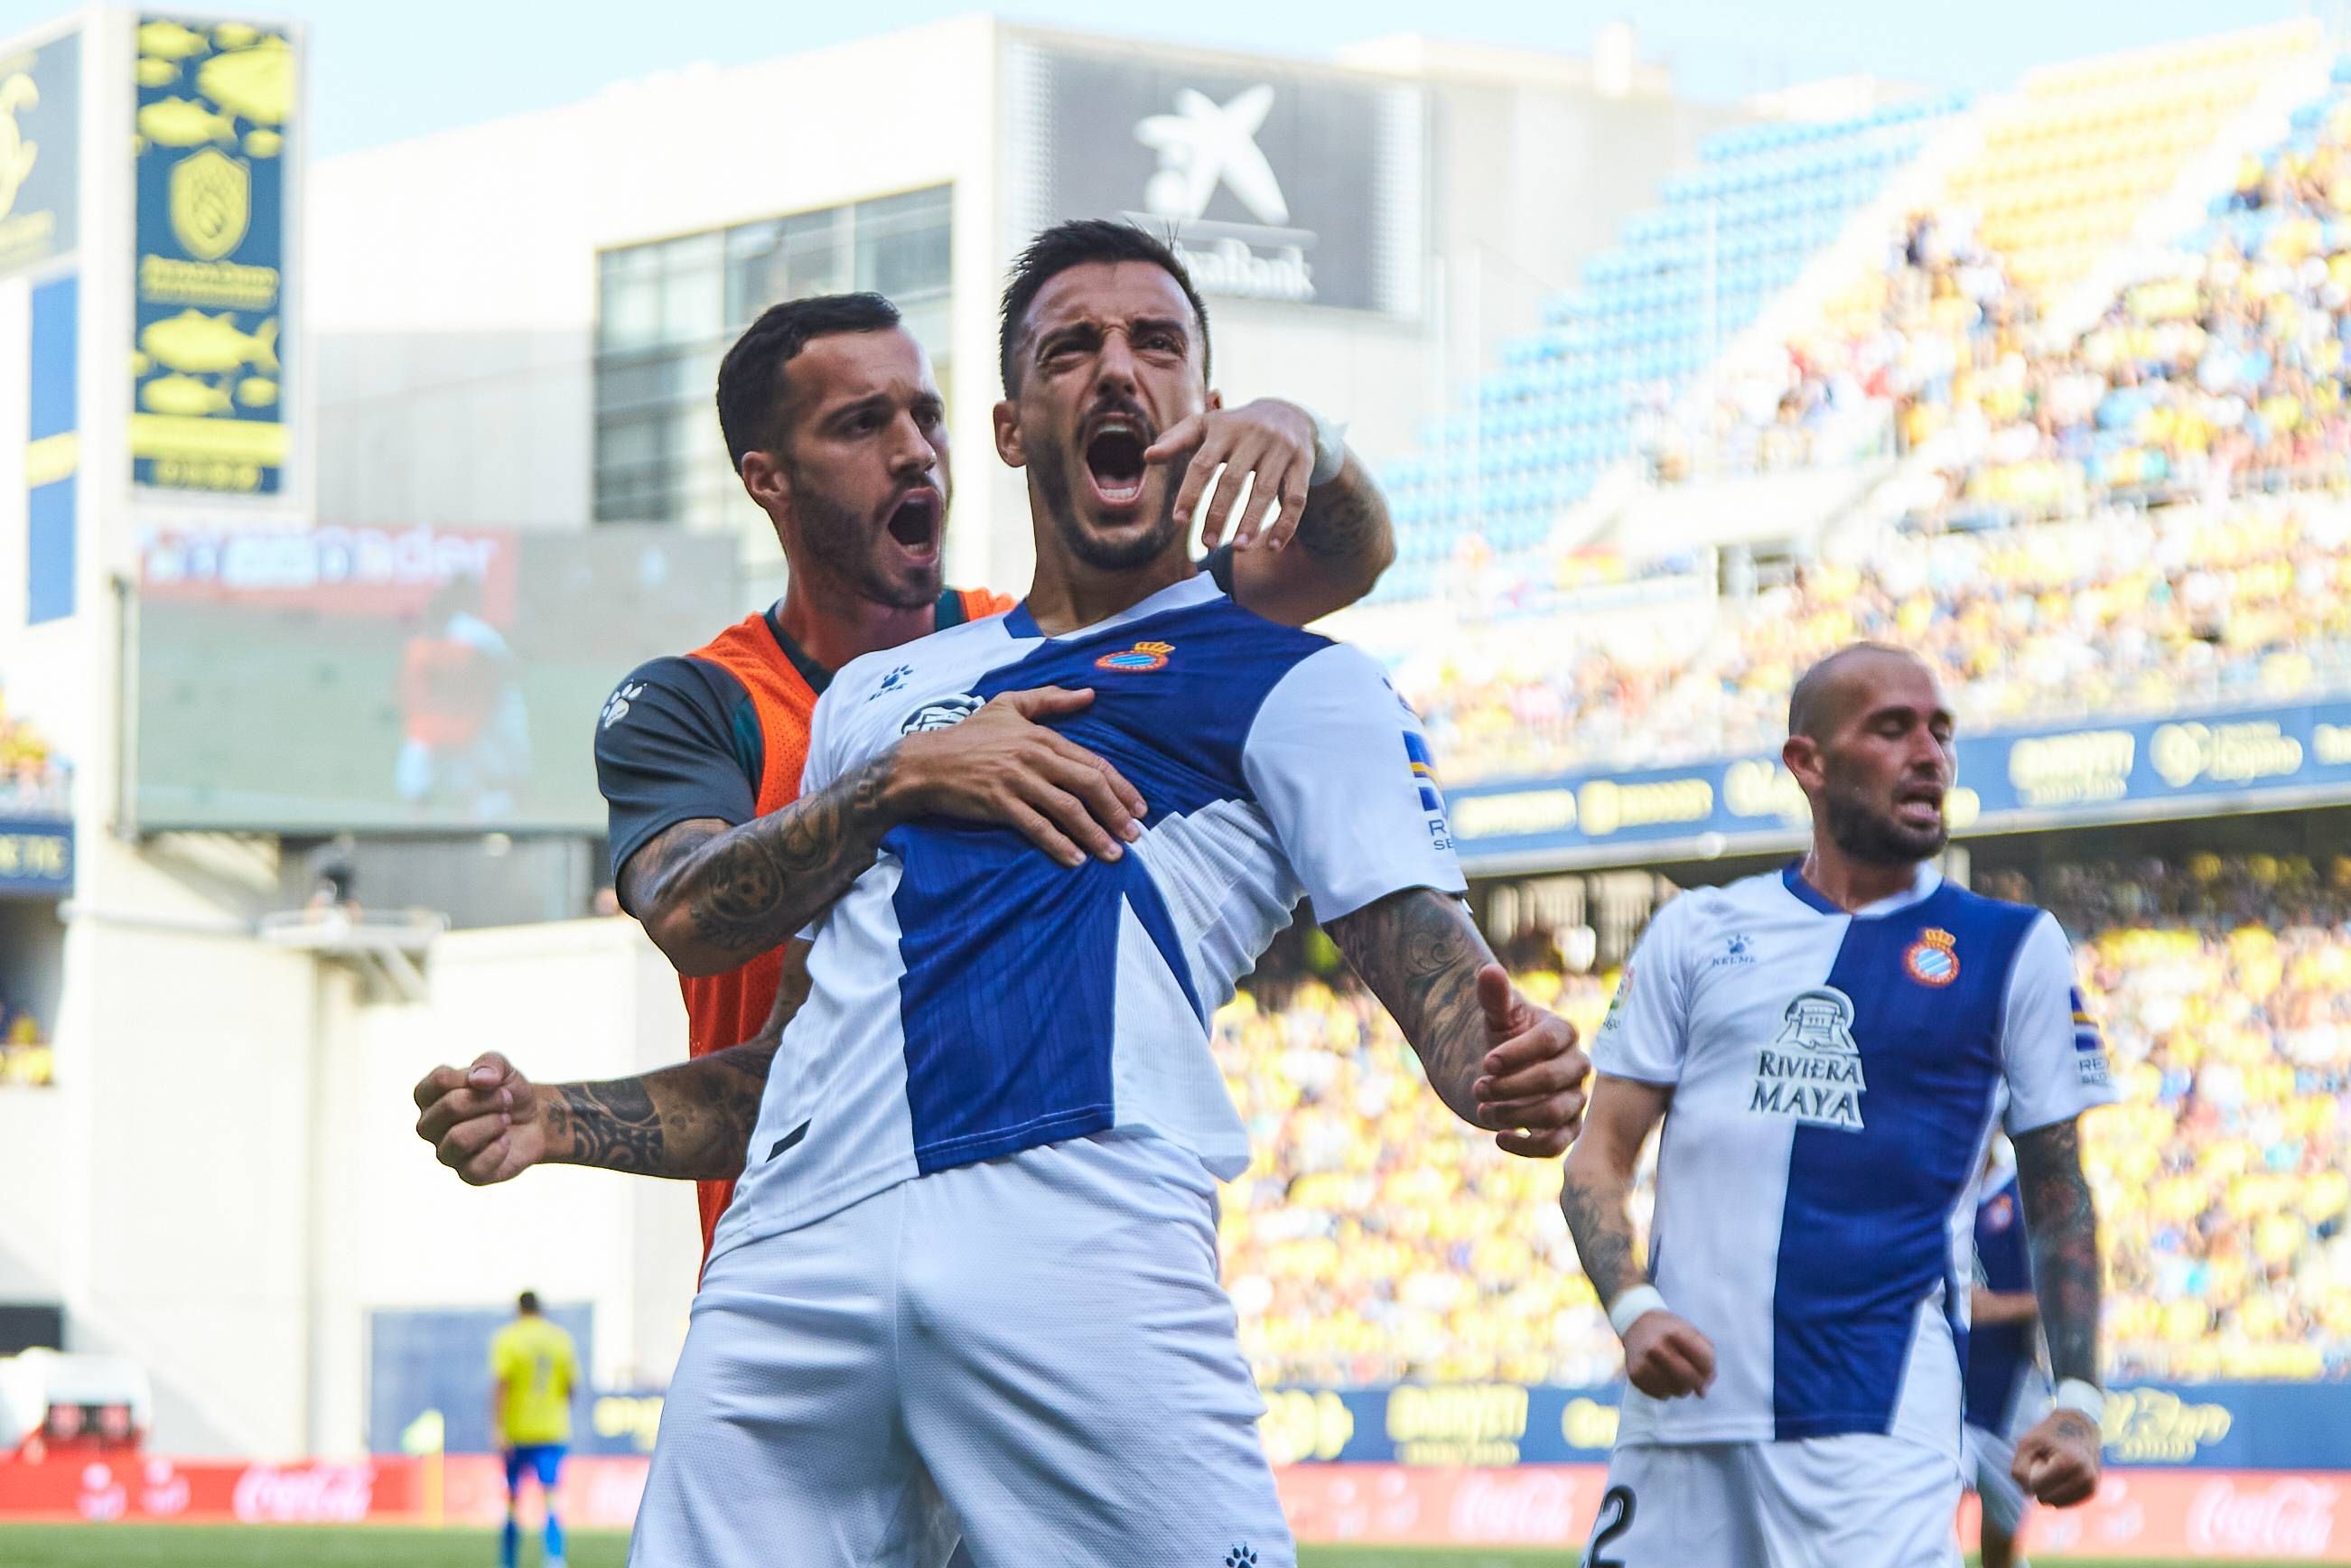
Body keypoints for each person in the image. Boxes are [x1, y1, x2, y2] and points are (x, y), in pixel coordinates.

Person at [417, 219, 1590, 1566]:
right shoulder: (877, 701)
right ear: (1012, 428)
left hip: (1073, 1247)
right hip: (790, 1263)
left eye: (1156, 344)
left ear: (1203, 408)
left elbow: (1426, 953)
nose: (1115, 370)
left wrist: (1491, 1061)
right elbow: (790, 1057)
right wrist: (559, 1112)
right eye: (1069, 347)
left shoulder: (1296, 679)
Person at [577, 287, 1396, 1261]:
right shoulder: (698, 702)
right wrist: (897, 778)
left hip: (1037, 1252)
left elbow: (1333, 565)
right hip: (795, 1261)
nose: (915, 449)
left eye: (926, 414)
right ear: (769, 479)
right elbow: (689, 919)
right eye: (860, 424)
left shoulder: (1063, 643)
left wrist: (1309, 434)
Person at [1557, 642, 2114, 1568]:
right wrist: (1629, 1305)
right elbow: (1596, 1155)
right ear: (1806, 762)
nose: (1928, 752)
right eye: (1890, 728)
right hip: (1679, 1417)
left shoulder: (2012, 946)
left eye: (1939, 730)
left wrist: (2081, 1396)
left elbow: (2059, 1192)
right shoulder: (1695, 929)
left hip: (1875, 1417)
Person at [1964, 1138, 2052, 1568]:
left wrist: (1988, 1308)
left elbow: (2061, 1292)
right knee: (1919, 1516)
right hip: (1945, 1387)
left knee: (2001, 1539)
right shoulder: (1941, 1188)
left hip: (2010, 1391)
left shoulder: (2023, 1196)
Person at [488, 1291, 579, 1568]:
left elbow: (501, 1385)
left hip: (517, 1432)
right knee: (551, 1497)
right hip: (552, 1431)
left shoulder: (508, 1338)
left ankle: (509, 1561)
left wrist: (498, 1427)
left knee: (513, 1500)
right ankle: (554, 1558)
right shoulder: (560, 1339)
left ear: (519, 1310)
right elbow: (570, 1387)